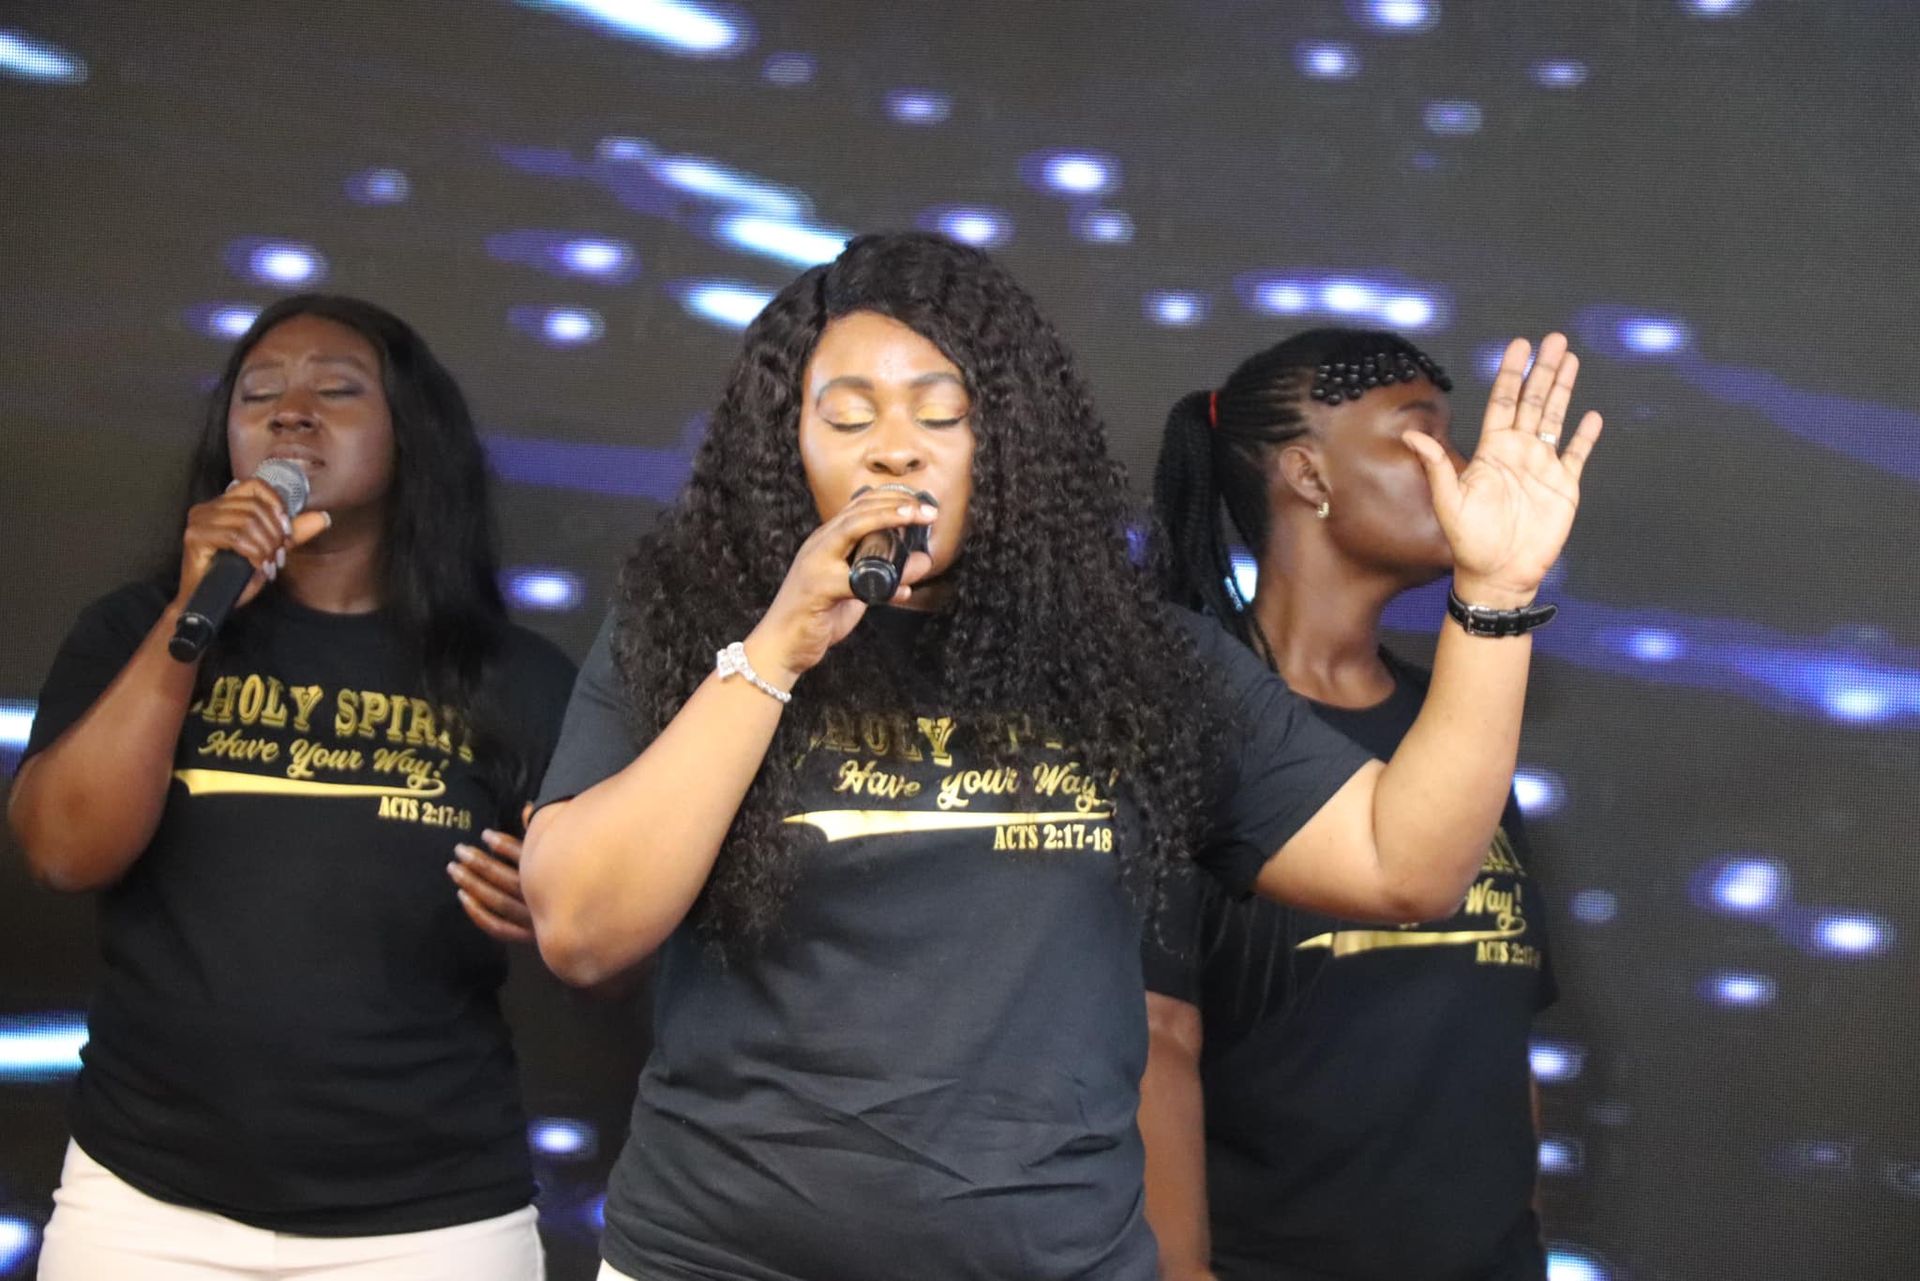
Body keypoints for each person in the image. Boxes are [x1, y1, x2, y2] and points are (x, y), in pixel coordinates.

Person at [520, 232, 1601, 1281]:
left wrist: (1494, 597)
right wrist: (773, 654)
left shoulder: (1135, 659)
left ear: (1010, 435)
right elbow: (582, 929)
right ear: (784, 445)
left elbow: (1407, 865)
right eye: (847, 416)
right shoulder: (690, 630)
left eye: (942, 413)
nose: (894, 447)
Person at [9, 294, 576, 1280]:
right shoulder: (133, 630)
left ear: (412, 433)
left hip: (432, 1222)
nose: (291, 411)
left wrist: (564, 902)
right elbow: (64, 851)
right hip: (144, 1205)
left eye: (338, 391)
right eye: (257, 393)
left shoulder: (511, 675)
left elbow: (620, 937)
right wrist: (190, 616)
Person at [1138, 328, 1563, 1281]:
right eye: (1421, 436)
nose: (1457, 470)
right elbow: (1155, 1036)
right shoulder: (1190, 718)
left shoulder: (1454, 728)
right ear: (1308, 473)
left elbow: (1503, 1030)